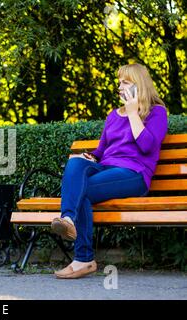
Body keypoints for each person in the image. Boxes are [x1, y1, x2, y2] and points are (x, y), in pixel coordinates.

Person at [51, 63, 168, 279]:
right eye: (119, 82)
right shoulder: (113, 116)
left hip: (134, 174)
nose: (120, 87)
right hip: (106, 168)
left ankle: (83, 259)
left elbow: (147, 146)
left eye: (125, 82)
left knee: (81, 192)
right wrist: (90, 157)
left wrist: (133, 113)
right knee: (75, 164)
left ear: (139, 85)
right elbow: (102, 150)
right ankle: (68, 220)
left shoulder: (156, 112)